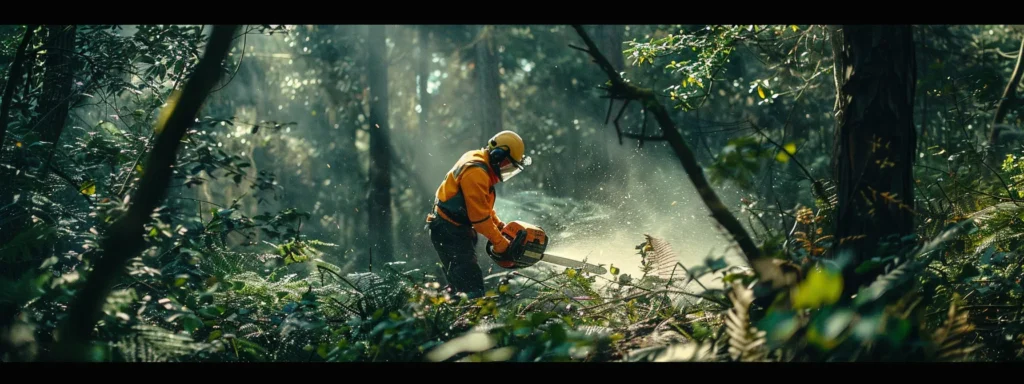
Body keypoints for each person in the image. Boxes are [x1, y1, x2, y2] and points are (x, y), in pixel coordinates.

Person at [425, 130, 532, 298]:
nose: (506, 169)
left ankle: (454, 313)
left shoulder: (478, 160)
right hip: (449, 230)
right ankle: (467, 319)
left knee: (460, 279)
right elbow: (479, 219)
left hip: (453, 227)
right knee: (470, 285)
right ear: (497, 156)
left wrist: (500, 227)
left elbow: (482, 207)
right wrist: (500, 243)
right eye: (506, 164)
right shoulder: (476, 172)